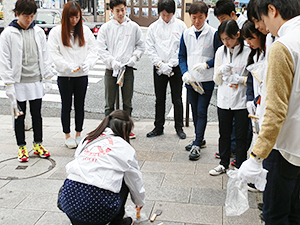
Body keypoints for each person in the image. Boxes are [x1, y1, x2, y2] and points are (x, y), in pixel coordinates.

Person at [238, 0, 300, 224]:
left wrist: (256, 156)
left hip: (282, 146)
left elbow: (275, 111)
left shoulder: (283, 46)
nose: (263, 27)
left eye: (262, 19)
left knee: (275, 215)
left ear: (272, 10)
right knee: (295, 213)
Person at [58, 109, 145, 225]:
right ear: (125, 130)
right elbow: (135, 179)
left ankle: (78, 221)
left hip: (69, 202)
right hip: (99, 209)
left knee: (76, 176)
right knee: (126, 178)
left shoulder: (88, 139)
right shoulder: (125, 148)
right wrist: (139, 202)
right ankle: (117, 222)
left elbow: (78, 159)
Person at [0, 0, 53, 162]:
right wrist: (8, 84)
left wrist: (48, 77)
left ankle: (38, 144)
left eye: (31, 16)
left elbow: (45, 55)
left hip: (36, 78)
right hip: (18, 81)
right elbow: (4, 60)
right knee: (19, 115)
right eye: (25, 16)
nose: (29, 19)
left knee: (37, 114)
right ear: (17, 14)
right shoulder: (8, 34)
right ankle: (21, 147)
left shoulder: (37, 31)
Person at [48, 1, 98, 149]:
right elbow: (54, 54)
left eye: (76, 17)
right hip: (65, 76)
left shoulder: (85, 31)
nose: (74, 21)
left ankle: (78, 133)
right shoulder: (57, 32)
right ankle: (67, 135)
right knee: (66, 106)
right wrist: (67, 66)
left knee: (80, 105)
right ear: (65, 17)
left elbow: (93, 50)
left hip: (81, 75)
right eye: (71, 17)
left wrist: (88, 64)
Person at [97, 0, 145, 139]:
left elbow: (141, 46)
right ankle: (108, 128)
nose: (121, 13)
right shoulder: (106, 28)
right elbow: (101, 49)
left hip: (127, 68)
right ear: (111, 11)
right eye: (117, 10)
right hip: (111, 69)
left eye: (123, 10)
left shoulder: (133, 27)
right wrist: (112, 61)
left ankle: (127, 128)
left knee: (127, 101)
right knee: (109, 102)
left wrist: (134, 58)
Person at [179, 2, 220, 160]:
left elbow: (219, 55)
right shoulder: (186, 34)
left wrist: (207, 64)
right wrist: (184, 72)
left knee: (202, 111)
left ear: (206, 16)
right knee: (195, 111)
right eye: (194, 17)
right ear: (190, 16)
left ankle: (197, 143)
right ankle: (199, 138)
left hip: (206, 80)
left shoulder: (213, 33)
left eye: (200, 17)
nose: (197, 21)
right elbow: (182, 56)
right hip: (191, 80)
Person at [209, 19, 251, 175]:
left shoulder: (248, 50)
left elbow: (253, 80)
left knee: (241, 136)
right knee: (224, 133)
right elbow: (216, 80)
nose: (226, 42)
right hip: (224, 99)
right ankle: (223, 163)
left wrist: (239, 79)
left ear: (237, 35)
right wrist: (221, 72)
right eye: (223, 39)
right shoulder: (220, 51)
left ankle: (240, 166)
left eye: (229, 38)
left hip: (241, 101)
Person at [145, 0, 187, 139]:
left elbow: (182, 47)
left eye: (168, 15)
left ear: (173, 13)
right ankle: (158, 127)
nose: (166, 18)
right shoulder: (153, 27)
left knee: (177, 98)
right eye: (163, 15)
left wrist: (173, 63)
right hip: (159, 67)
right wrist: (160, 64)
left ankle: (179, 127)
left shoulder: (181, 26)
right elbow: (150, 48)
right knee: (159, 98)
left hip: (175, 67)